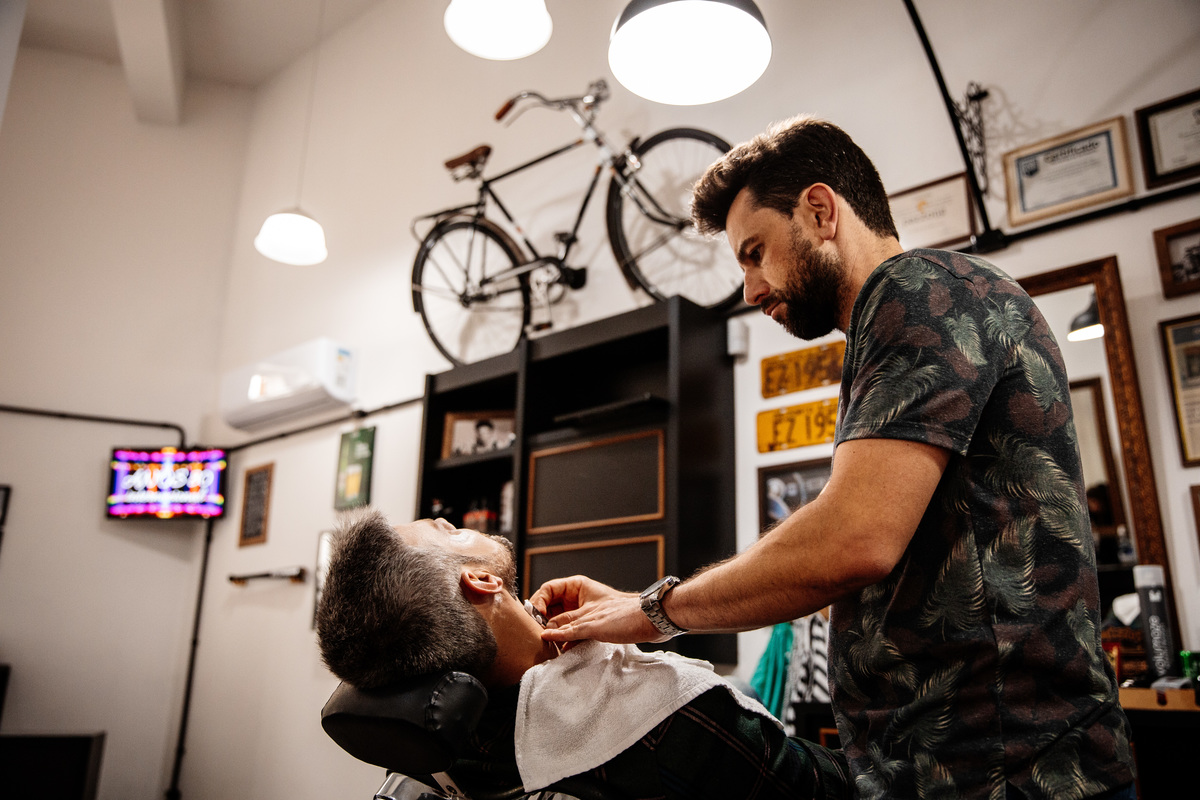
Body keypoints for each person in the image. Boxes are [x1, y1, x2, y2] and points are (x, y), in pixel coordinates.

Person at [532, 115, 1136, 800]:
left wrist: (651, 612)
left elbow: (852, 539)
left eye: (755, 252)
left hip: (1012, 774)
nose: (752, 290)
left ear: (820, 210)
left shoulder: (917, 291)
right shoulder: (907, 316)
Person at [316, 507, 850, 800]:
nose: (459, 524)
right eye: (451, 531)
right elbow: (835, 789)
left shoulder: (441, 756)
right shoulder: (665, 717)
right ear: (480, 579)